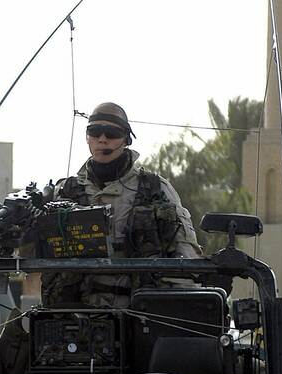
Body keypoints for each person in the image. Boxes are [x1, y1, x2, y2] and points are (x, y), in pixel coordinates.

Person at [42, 101, 202, 307]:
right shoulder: (64, 192)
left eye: (111, 133)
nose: (102, 139)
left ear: (126, 139)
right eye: (95, 132)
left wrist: (183, 308)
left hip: (140, 311)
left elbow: (184, 252)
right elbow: (36, 254)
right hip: (74, 311)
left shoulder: (155, 189)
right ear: (87, 138)